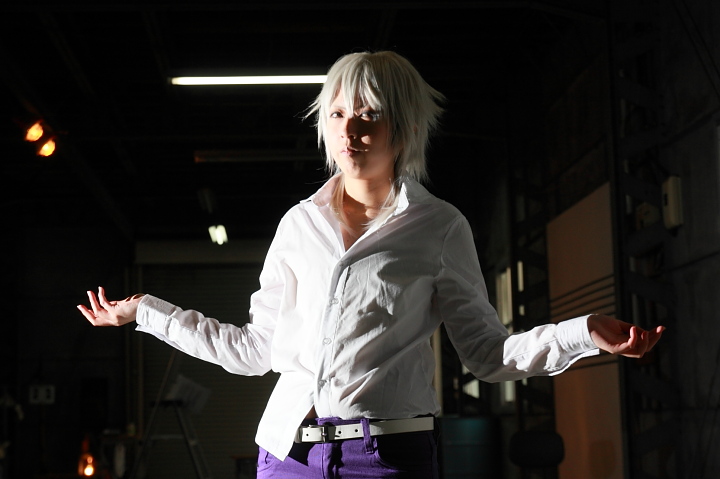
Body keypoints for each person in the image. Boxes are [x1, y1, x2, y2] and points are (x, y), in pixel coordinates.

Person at [78, 51, 664, 479]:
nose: (350, 131)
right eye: (337, 115)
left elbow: (487, 354)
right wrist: (145, 312)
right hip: (287, 456)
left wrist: (582, 333)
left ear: (404, 130)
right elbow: (256, 350)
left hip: (388, 458)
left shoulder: (440, 227)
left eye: (369, 116)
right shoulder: (298, 225)